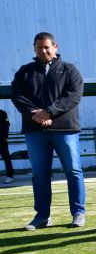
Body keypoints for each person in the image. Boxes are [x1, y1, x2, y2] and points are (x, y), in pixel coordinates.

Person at [11, 32, 86, 230]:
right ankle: (42, 216)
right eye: (39, 48)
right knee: (39, 174)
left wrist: (49, 112)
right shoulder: (25, 72)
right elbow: (16, 95)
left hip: (65, 129)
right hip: (35, 131)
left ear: (55, 47)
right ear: (34, 49)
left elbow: (74, 95)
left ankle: (78, 213)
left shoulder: (69, 70)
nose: (43, 51)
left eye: (47, 47)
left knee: (73, 171)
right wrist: (34, 113)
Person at [0, 109, 15, 183]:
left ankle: (10, 176)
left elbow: (7, 124)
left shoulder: (2, 113)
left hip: (1, 140)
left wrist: (5, 137)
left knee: (6, 158)